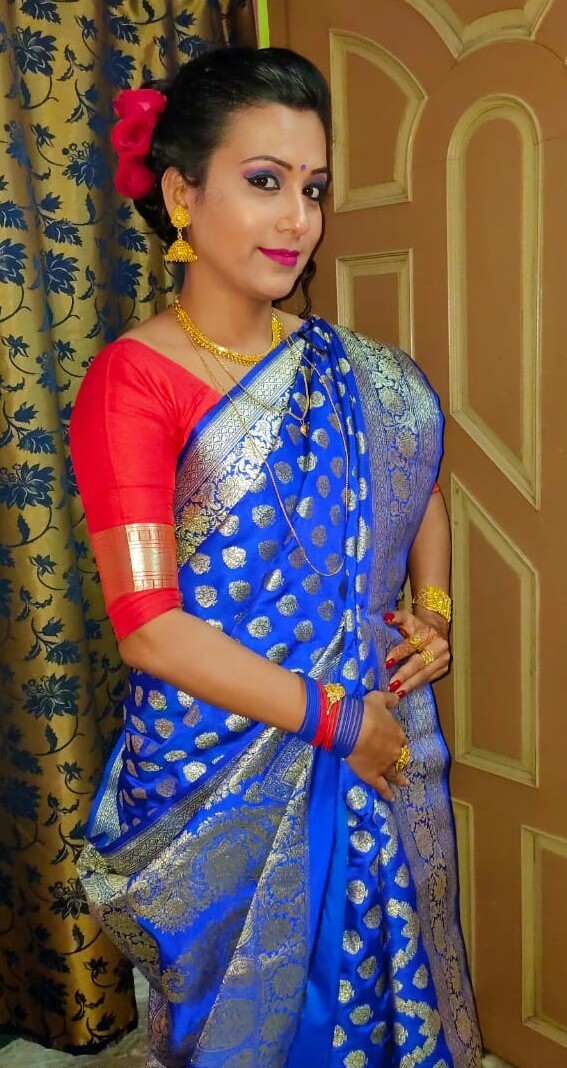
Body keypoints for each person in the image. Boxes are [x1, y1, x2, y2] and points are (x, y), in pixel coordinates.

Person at [70, 46, 482, 1068]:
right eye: (264, 182)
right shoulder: (134, 382)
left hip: (367, 739)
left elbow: (422, 489)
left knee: (370, 1003)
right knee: (250, 1026)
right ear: (181, 193)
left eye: (313, 188)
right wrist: (340, 723)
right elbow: (149, 628)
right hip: (227, 764)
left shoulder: (350, 370)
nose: (298, 219)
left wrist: (429, 613)